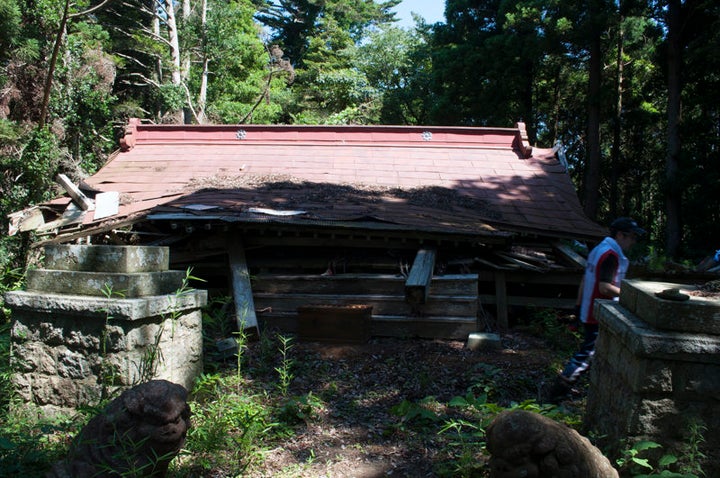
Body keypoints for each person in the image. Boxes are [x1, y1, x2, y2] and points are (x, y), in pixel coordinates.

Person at [558, 217, 646, 386]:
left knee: (594, 354)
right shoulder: (610, 255)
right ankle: (558, 393)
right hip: (598, 313)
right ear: (620, 235)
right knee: (586, 356)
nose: (633, 242)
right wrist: (633, 295)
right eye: (632, 237)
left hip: (590, 309)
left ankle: (584, 388)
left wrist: (578, 308)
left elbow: (585, 279)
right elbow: (605, 287)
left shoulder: (599, 249)